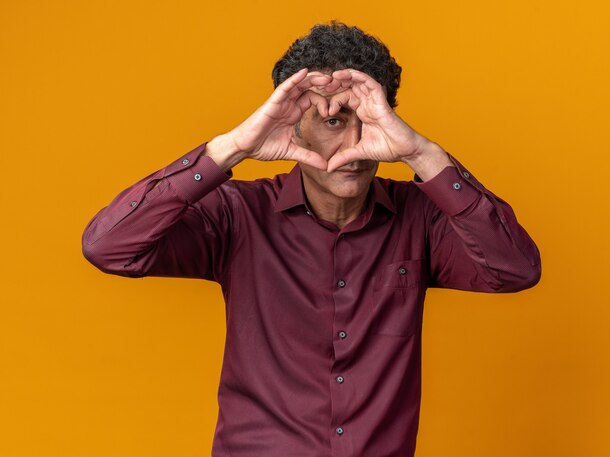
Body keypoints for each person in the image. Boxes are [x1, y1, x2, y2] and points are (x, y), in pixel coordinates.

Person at [83, 21, 540, 457]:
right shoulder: (237, 215)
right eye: (335, 121)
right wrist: (233, 148)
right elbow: (110, 247)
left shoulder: (422, 218)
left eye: (369, 120)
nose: (357, 144)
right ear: (294, 123)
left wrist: (423, 153)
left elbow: (515, 270)